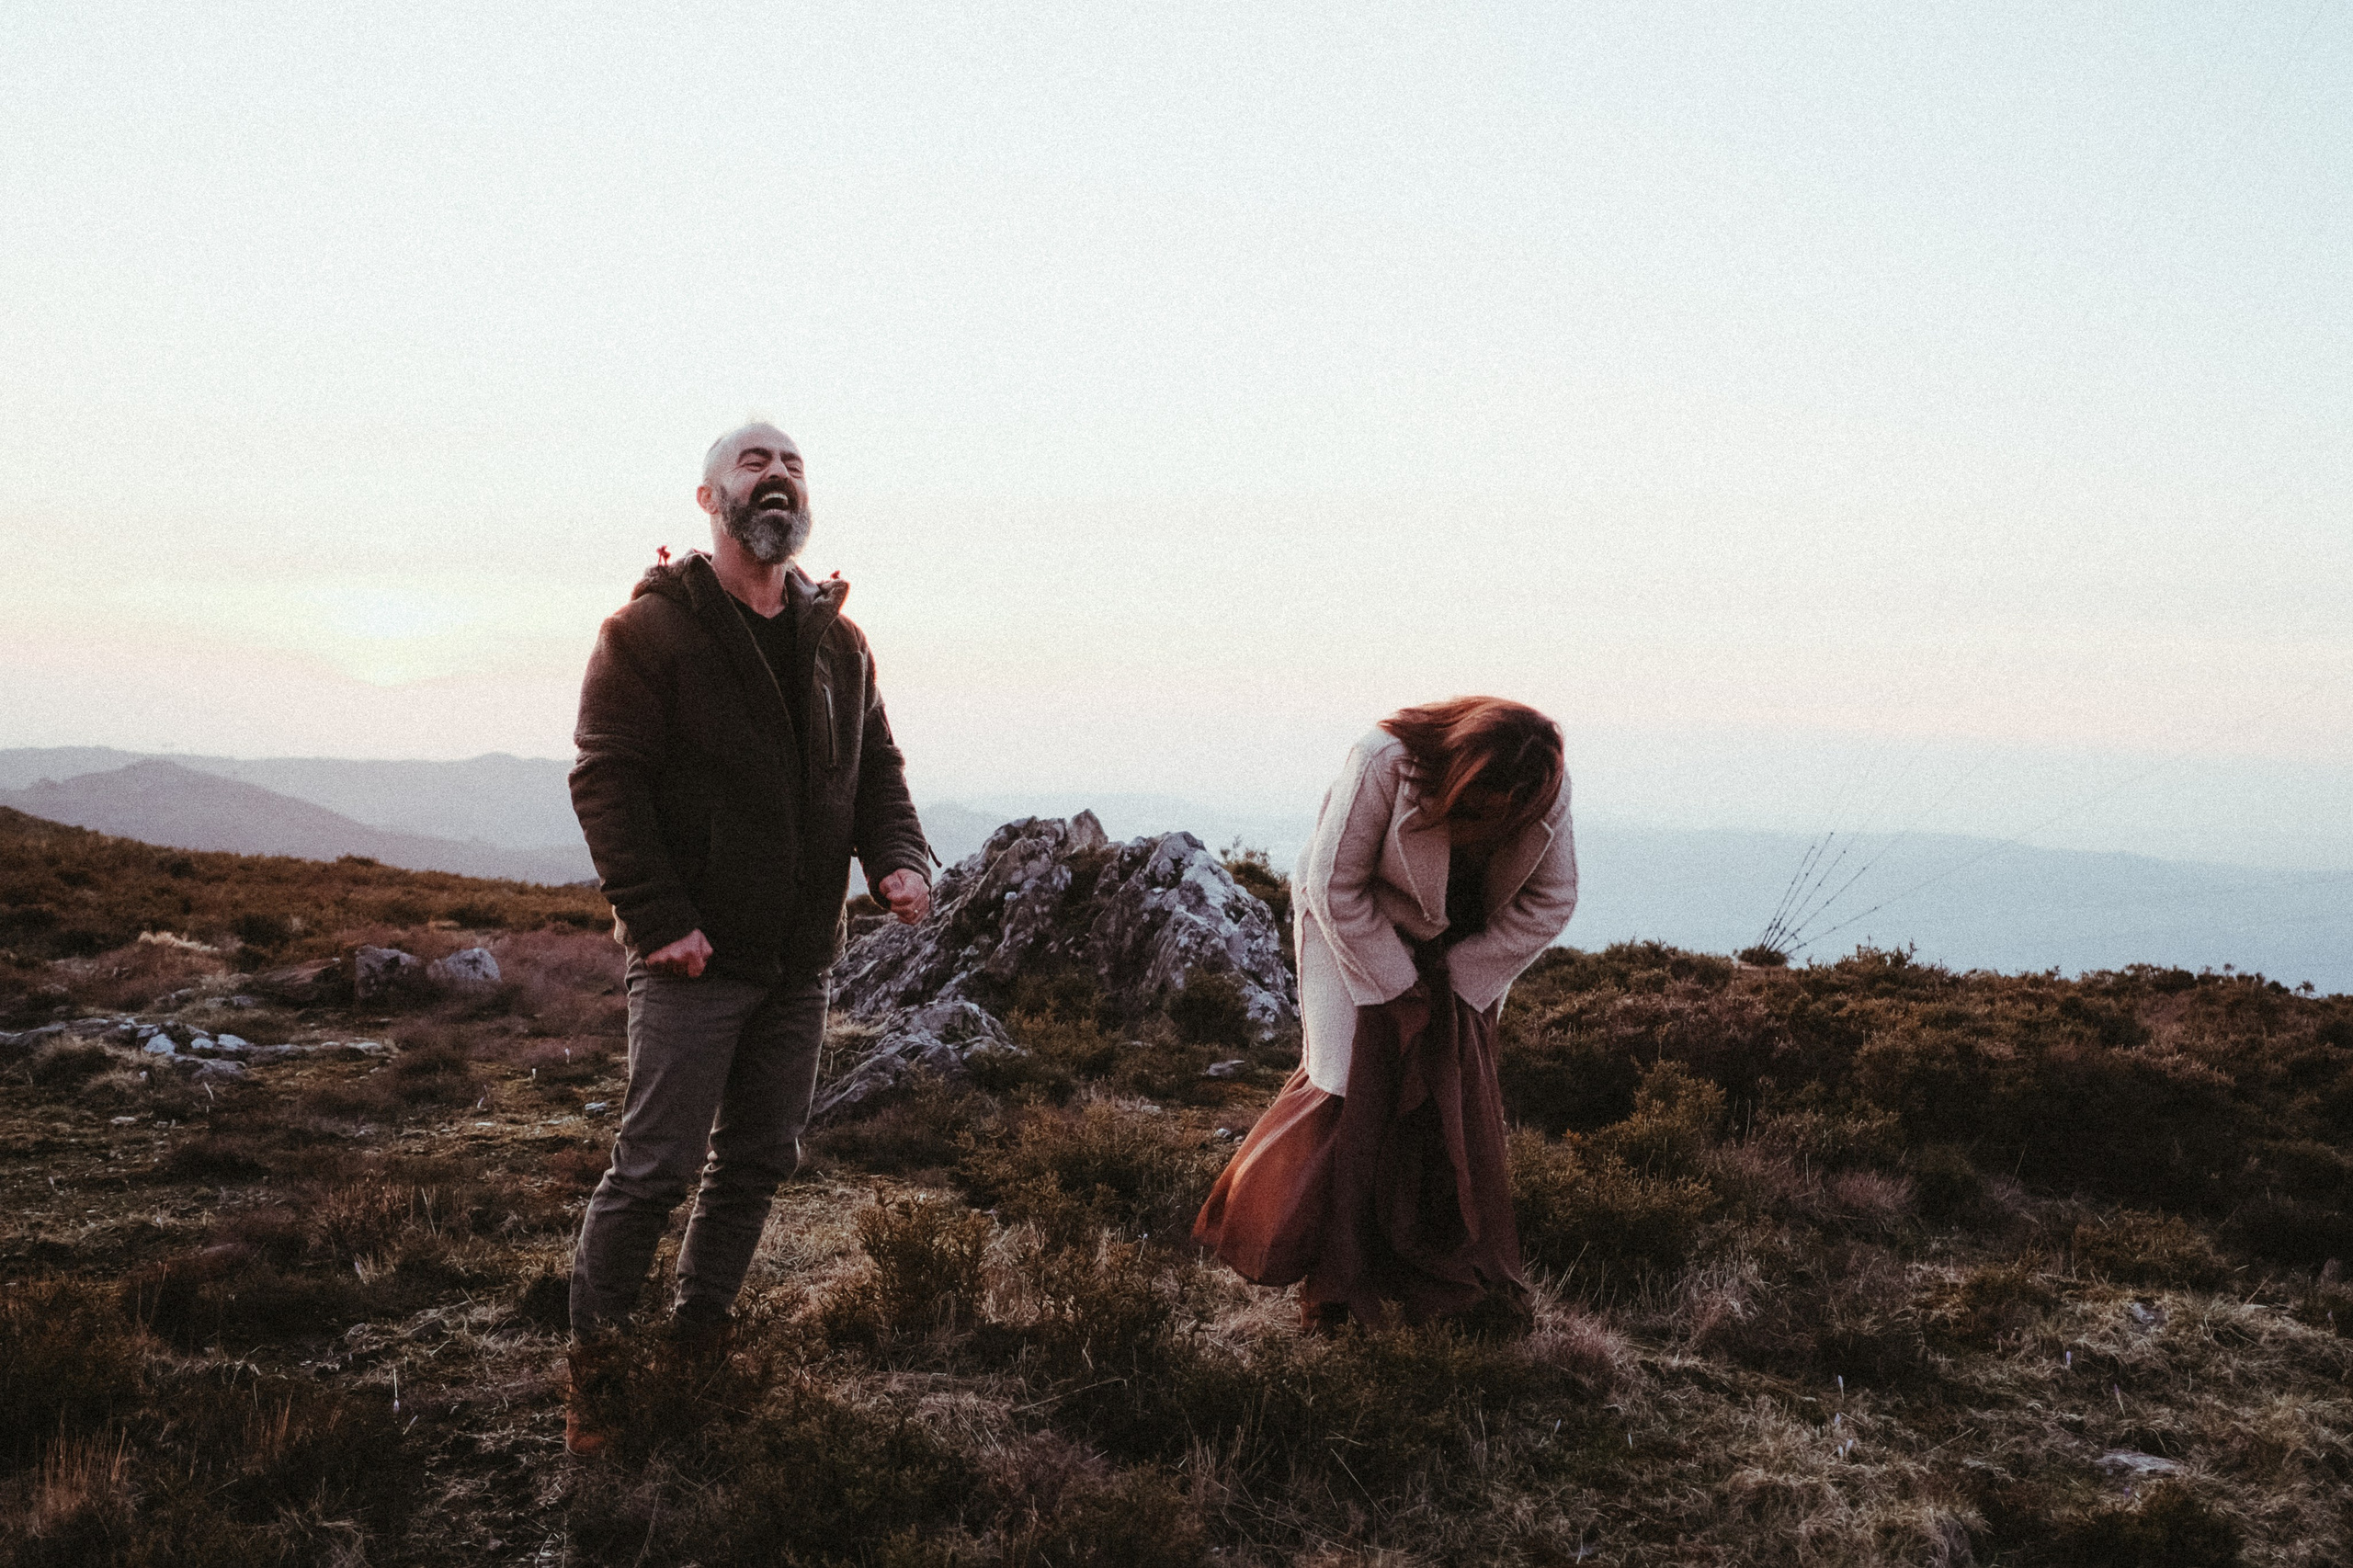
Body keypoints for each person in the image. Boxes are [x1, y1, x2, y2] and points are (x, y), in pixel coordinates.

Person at [562, 422, 933, 1452]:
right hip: (695, 958)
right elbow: (606, 780)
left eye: (794, 465)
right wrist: (660, 919)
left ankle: (698, 1342)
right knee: (654, 1167)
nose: (777, 477)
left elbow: (877, 771)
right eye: (754, 464)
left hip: (800, 957)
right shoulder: (649, 633)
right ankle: (598, 1382)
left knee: (760, 1157)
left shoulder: (838, 642)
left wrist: (900, 859)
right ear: (708, 498)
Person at [1194, 698, 1576, 1330]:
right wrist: (1397, 984)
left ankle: (1419, 1270)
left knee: (1443, 1099)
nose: (1489, 825)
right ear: (1458, 772)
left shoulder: (1543, 789)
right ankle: (1314, 1257)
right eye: (1478, 809)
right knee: (1351, 1088)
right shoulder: (1384, 760)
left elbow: (1553, 898)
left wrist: (1462, 976)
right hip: (1356, 929)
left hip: (1461, 952)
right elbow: (1331, 883)